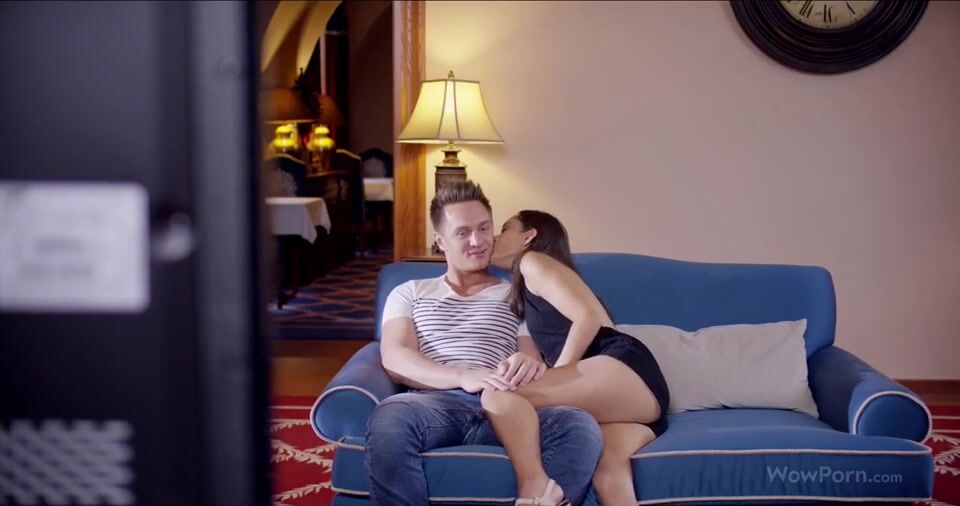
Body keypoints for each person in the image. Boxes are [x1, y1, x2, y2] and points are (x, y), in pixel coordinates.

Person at [364, 183, 603, 506]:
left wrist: (528, 364)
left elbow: (531, 355)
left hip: (508, 404)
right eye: (463, 233)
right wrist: (463, 375)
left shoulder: (518, 292)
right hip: (435, 405)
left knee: (580, 426)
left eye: (484, 228)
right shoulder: (410, 292)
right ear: (440, 241)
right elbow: (395, 356)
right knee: (390, 417)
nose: (477, 241)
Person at [484, 210, 671, 506]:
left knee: (498, 392)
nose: (493, 237)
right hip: (641, 397)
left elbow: (588, 318)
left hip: (620, 366)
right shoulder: (530, 286)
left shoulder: (533, 261)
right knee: (608, 478)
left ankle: (536, 490)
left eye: (504, 229)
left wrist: (560, 374)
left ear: (528, 236)